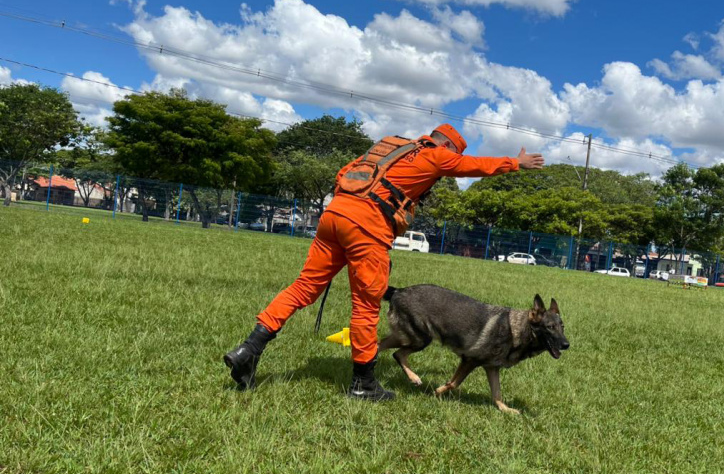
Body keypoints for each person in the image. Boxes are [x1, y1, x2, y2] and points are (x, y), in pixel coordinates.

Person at [224, 124, 544, 400]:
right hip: (367, 226)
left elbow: (345, 172)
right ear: (446, 146)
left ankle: (249, 350)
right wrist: (515, 162)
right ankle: (363, 384)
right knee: (366, 305)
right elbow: (471, 165)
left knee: (303, 288)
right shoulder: (435, 154)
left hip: (334, 215)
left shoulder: (390, 146)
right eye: (451, 154)